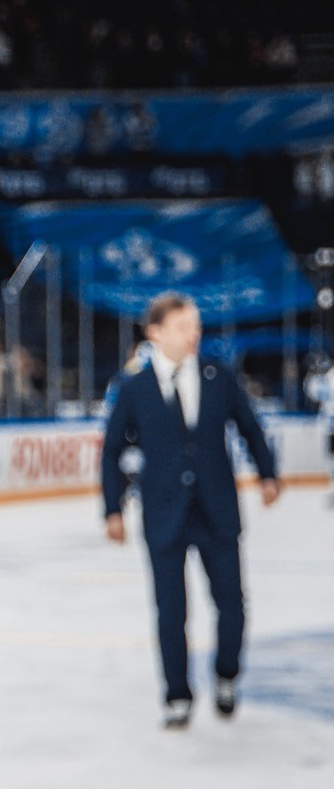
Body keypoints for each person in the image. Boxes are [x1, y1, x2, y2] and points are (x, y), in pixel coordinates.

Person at [101, 292, 280, 728]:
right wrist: (112, 508)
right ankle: (177, 695)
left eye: (196, 325)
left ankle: (226, 674)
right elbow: (112, 451)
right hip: (164, 513)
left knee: (232, 603)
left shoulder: (219, 376)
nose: (194, 333)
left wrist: (267, 474)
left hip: (216, 509)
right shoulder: (134, 387)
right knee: (171, 612)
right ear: (156, 332)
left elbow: (249, 426)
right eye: (183, 326)